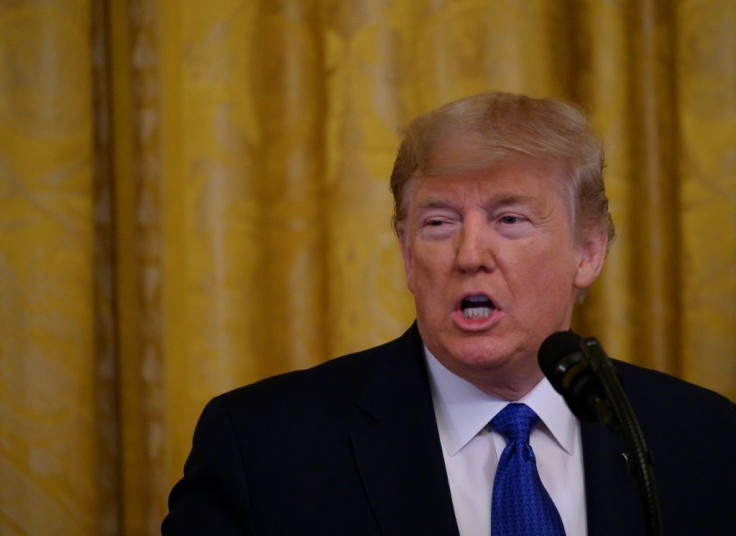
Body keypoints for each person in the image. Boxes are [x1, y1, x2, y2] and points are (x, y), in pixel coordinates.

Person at [162, 92, 736, 535]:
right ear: (409, 254)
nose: (468, 255)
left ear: (588, 252)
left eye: (509, 219)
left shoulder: (703, 440)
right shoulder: (265, 447)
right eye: (439, 223)